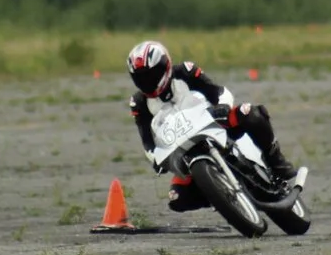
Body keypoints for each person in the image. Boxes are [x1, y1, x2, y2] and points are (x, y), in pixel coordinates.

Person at [126, 39, 299, 213]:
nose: (147, 81)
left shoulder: (185, 72)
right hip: (183, 147)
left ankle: (276, 161)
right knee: (177, 199)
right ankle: (218, 196)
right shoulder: (139, 103)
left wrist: (222, 106)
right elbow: (147, 140)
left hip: (215, 123)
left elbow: (218, 91)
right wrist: (156, 159)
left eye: (151, 74)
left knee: (250, 113)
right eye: (141, 77)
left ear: (166, 66)